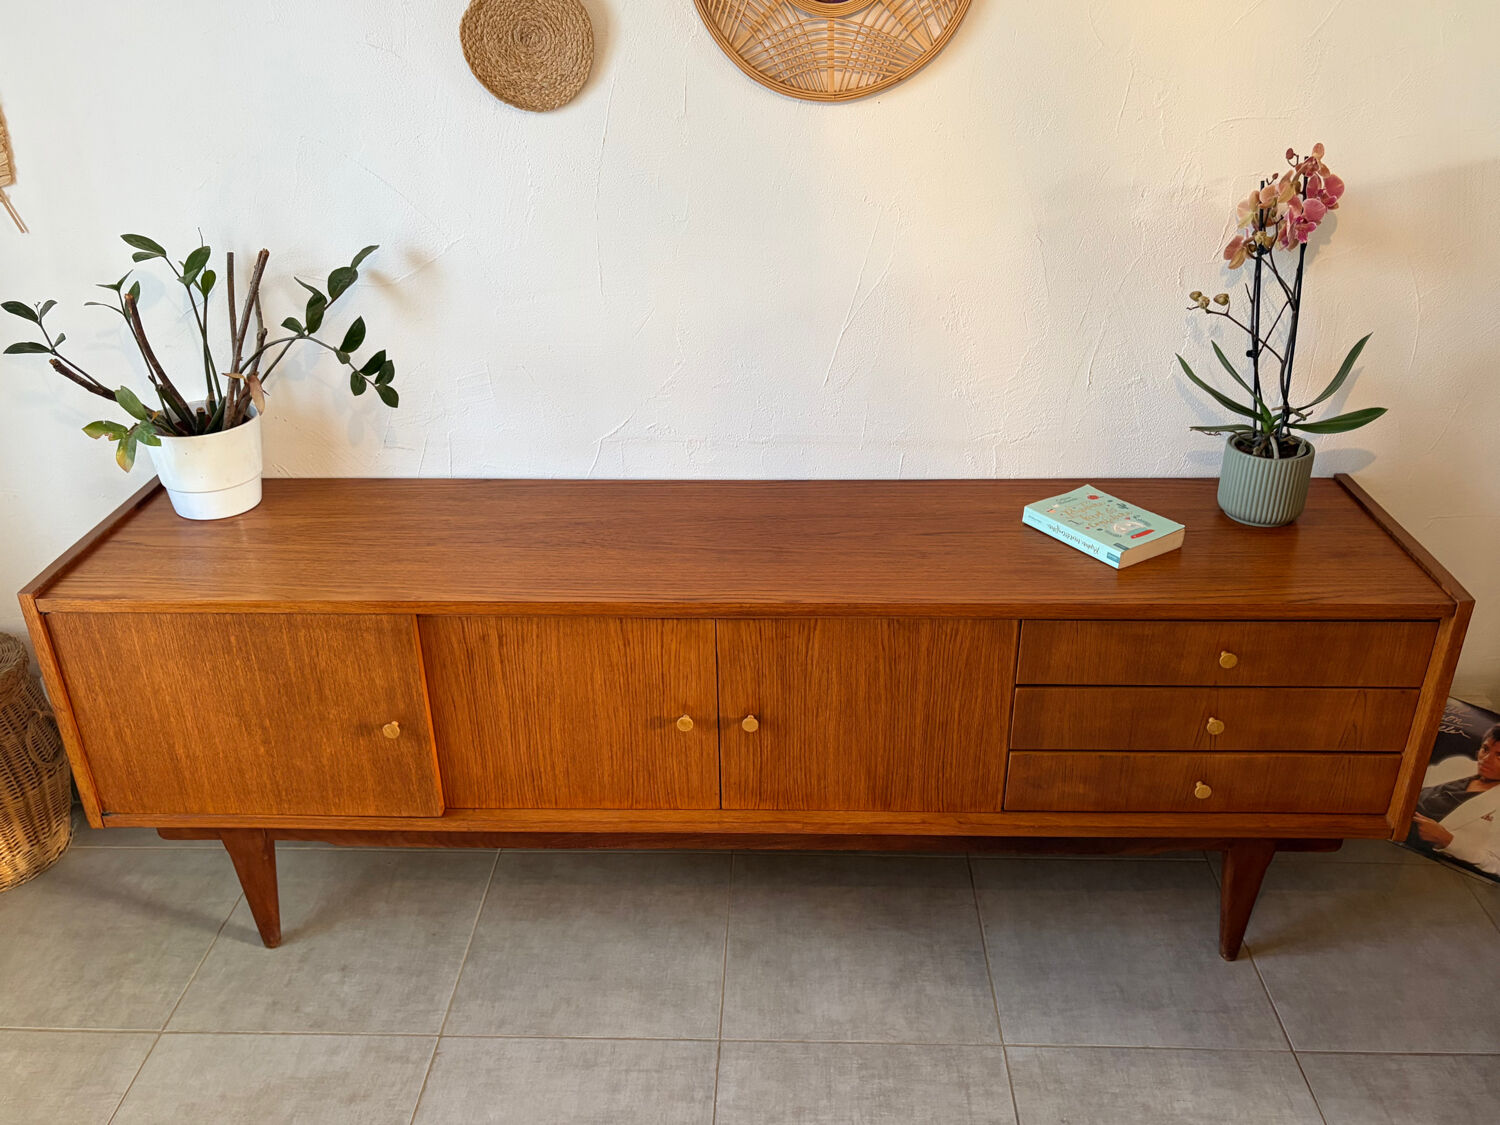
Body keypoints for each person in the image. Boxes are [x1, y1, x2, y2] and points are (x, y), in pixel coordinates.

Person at [1408, 724, 1500, 877]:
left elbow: (1496, 865)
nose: (1486, 759)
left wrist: (1447, 840)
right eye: (1485, 749)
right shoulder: (1459, 764)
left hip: (1422, 859)